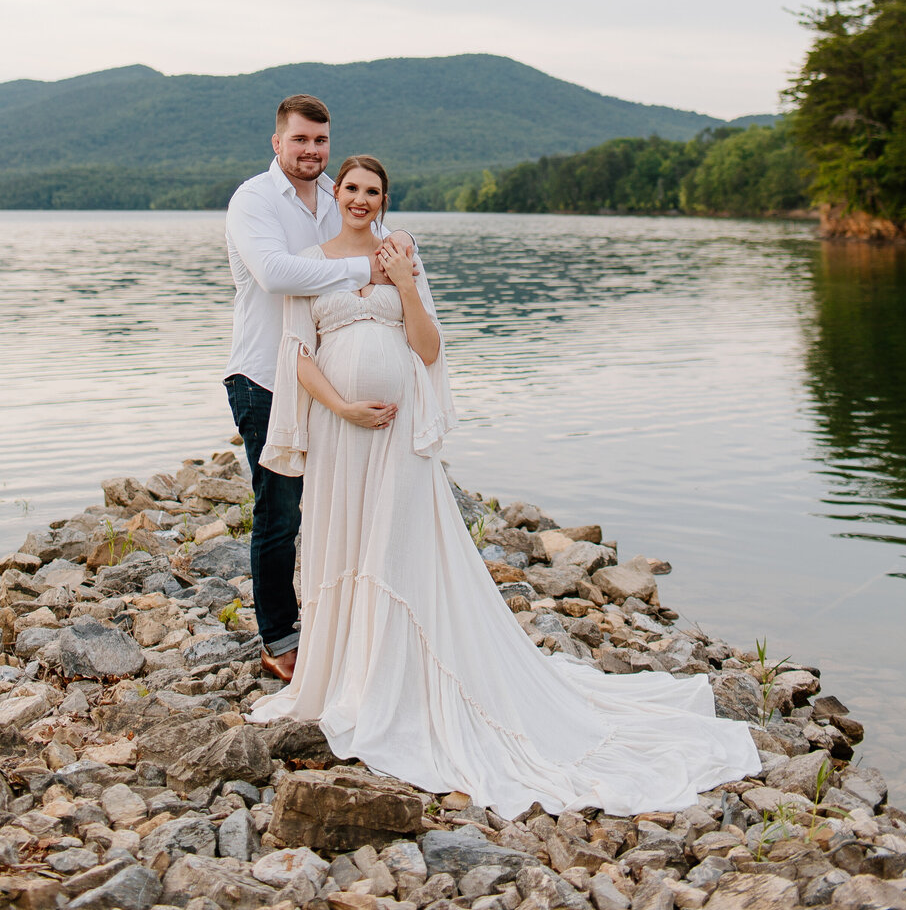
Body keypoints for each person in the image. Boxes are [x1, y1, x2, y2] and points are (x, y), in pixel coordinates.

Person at [249, 153, 760, 816]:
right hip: (345, 434)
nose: (361, 200)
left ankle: (401, 678)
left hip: (398, 439)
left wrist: (405, 283)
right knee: (344, 546)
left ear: (384, 199)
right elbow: (298, 357)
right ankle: (348, 673)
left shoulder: (402, 256)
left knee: (398, 550)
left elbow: (429, 351)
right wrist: (344, 408)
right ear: (334, 193)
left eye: (374, 191)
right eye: (351, 188)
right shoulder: (310, 262)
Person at [223, 96, 410, 682]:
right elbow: (277, 273)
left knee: (339, 503)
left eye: (320, 141)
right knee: (279, 514)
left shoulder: (336, 196)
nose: (311, 151)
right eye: (300, 140)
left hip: (325, 381)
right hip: (264, 377)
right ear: (277, 143)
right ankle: (280, 635)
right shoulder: (253, 200)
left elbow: (373, 237)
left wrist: (397, 251)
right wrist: (363, 273)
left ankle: (345, 622)